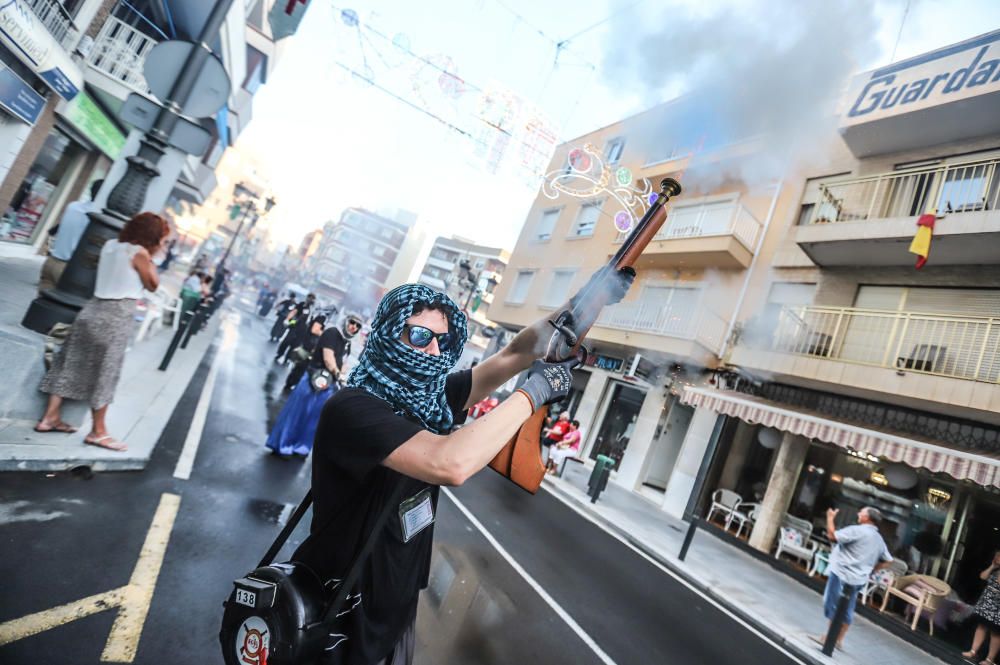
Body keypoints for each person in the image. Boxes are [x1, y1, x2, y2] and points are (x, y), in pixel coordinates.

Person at [291, 271, 633, 665]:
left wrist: (586, 300)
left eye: (442, 340)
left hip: (397, 594)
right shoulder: (352, 408)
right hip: (342, 601)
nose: (434, 351)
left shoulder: (429, 399)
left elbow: (513, 354)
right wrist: (533, 392)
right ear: (386, 333)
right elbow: (449, 462)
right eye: (420, 336)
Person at [35, 212, 170, 450]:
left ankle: (50, 417)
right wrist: (155, 256)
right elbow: (153, 285)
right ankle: (98, 432)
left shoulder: (111, 245)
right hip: (115, 316)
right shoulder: (140, 253)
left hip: (91, 309)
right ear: (153, 236)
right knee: (106, 373)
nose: (163, 242)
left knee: (68, 363)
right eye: (162, 238)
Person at [812, 506, 893, 650]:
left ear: (867, 518)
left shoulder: (857, 530)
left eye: (861, 512)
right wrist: (871, 570)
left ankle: (829, 639)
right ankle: (839, 640)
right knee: (848, 608)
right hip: (859, 579)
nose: (858, 513)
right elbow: (888, 560)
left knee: (833, 604)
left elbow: (832, 536)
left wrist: (830, 518)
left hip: (842, 573)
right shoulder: (878, 539)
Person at [38, 179, 103, 293]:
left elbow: (58, 228)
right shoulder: (97, 217)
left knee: (40, 304)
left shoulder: (73, 206)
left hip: (51, 262)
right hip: (68, 269)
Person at [962, 550, 1000, 665]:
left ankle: (990, 659)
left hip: (998, 606)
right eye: (997, 556)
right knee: (981, 626)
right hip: (987, 602)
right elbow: (983, 576)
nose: (997, 558)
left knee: (995, 632)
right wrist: (992, 566)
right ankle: (973, 651)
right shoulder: (995, 570)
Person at [275, 293, 317, 363]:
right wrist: (288, 319)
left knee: (295, 345)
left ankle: (287, 358)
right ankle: (280, 354)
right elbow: (294, 312)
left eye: (312, 298)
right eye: (309, 297)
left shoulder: (314, 309)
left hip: (304, 330)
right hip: (295, 326)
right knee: (286, 341)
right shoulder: (301, 304)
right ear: (307, 297)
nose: (310, 299)